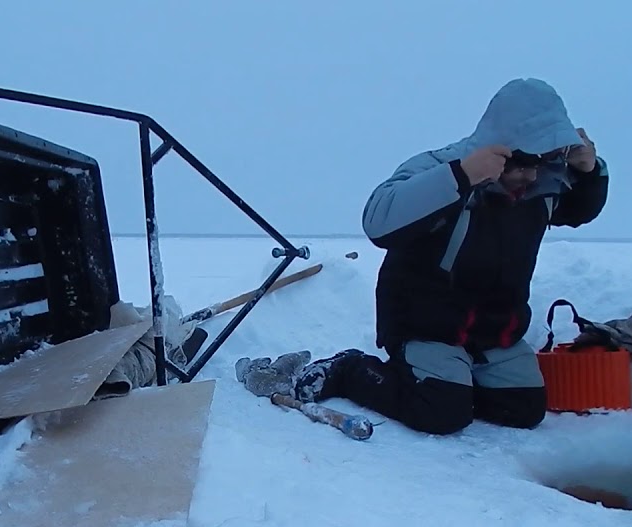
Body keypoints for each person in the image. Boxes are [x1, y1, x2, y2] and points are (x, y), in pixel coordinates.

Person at [236, 78, 609, 435]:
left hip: (494, 331)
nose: (529, 175)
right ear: (501, 148)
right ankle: (349, 370)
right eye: (522, 162)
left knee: (524, 409)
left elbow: (579, 209)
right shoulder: (445, 166)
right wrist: (461, 177)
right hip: (428, 324)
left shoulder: (543, 183)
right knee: (442, 412)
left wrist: (589, 171)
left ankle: (459, 377)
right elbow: (378, 220)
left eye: (541, 163)